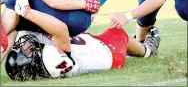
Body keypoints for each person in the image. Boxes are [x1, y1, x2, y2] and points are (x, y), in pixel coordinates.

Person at [5, 25, 160, 81]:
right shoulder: (52, 63)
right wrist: (25, 9)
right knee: (118, 32)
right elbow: (60, 30)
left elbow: (20, 30)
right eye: (27, 51)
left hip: (89, 45)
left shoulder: (40, 57)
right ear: (33, 63)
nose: (27, 46)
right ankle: (147, 50)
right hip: (109, 54)